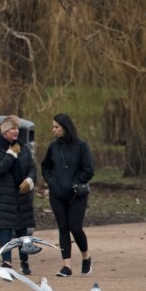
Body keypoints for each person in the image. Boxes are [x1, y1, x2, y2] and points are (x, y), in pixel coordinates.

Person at [40, 113, 95, 277]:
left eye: (56, 127)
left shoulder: (81, 146)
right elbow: (45, 167)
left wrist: (76, 182)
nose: (53, 130)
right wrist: (52, 182)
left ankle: (86, 257)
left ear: (66, 127)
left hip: (77, 195)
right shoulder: (53, 147)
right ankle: (67, 266)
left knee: (75, 227)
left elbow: (89, 169)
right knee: (63, 228)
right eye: (53, 127)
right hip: (57, 194)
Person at [0, 115, 37, 274]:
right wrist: (10, 155)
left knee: (23, 232)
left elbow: (32, 168)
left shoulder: (24, 147)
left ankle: (25, 262)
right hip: (3, 197)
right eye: (12, 128)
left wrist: (30, 180)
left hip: (22, 197)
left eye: (17, 128)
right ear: (4, 131)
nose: (16, 131)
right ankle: (7, 262)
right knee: (5, 230)